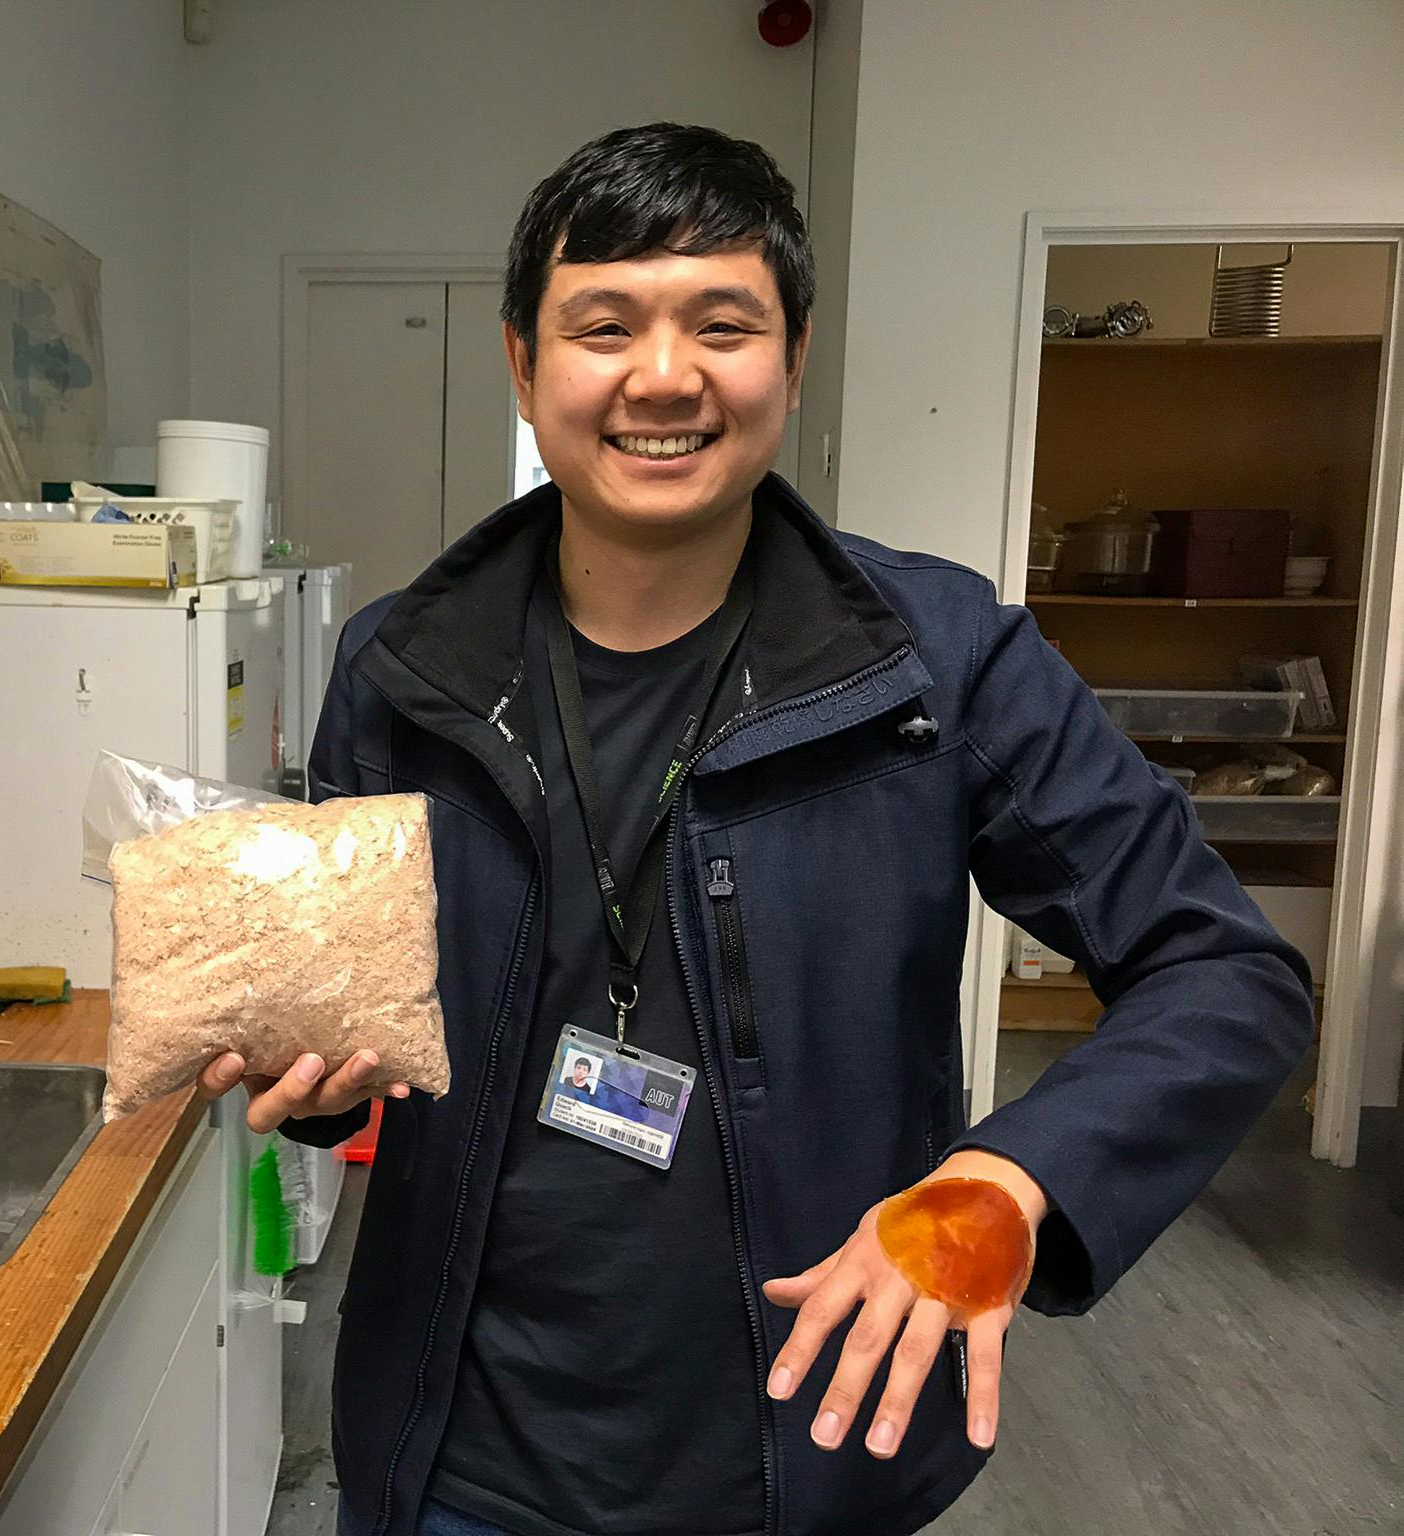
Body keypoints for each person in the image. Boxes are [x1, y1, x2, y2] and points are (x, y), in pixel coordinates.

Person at [198, 123, 1311, 1536]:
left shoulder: (934, 664)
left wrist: (1006, 1186)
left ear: (790, 357)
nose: (663, 375)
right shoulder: (400, 671)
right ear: (523, 363)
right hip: (455, 1458)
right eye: (603, 324)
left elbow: (1225, 973)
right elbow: (360, 1051)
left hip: (804, 1446)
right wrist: (317, 1071)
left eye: (722, 324)